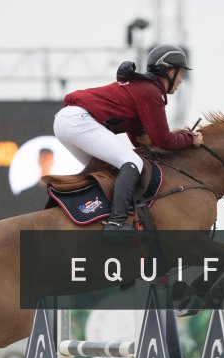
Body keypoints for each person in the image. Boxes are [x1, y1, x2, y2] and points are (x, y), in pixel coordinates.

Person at [54, 44, 203, 241]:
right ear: (169, 71)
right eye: (181, 72)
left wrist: (155, 144)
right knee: (132, 163)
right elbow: (162, 139)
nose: (182, 79)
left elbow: (139, 139)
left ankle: (90, 214)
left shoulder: (142, 89)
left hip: (67, 122)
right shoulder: (151, 91)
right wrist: (190, 138)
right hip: (78, 121)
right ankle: (116, 223)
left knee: (106, 170)